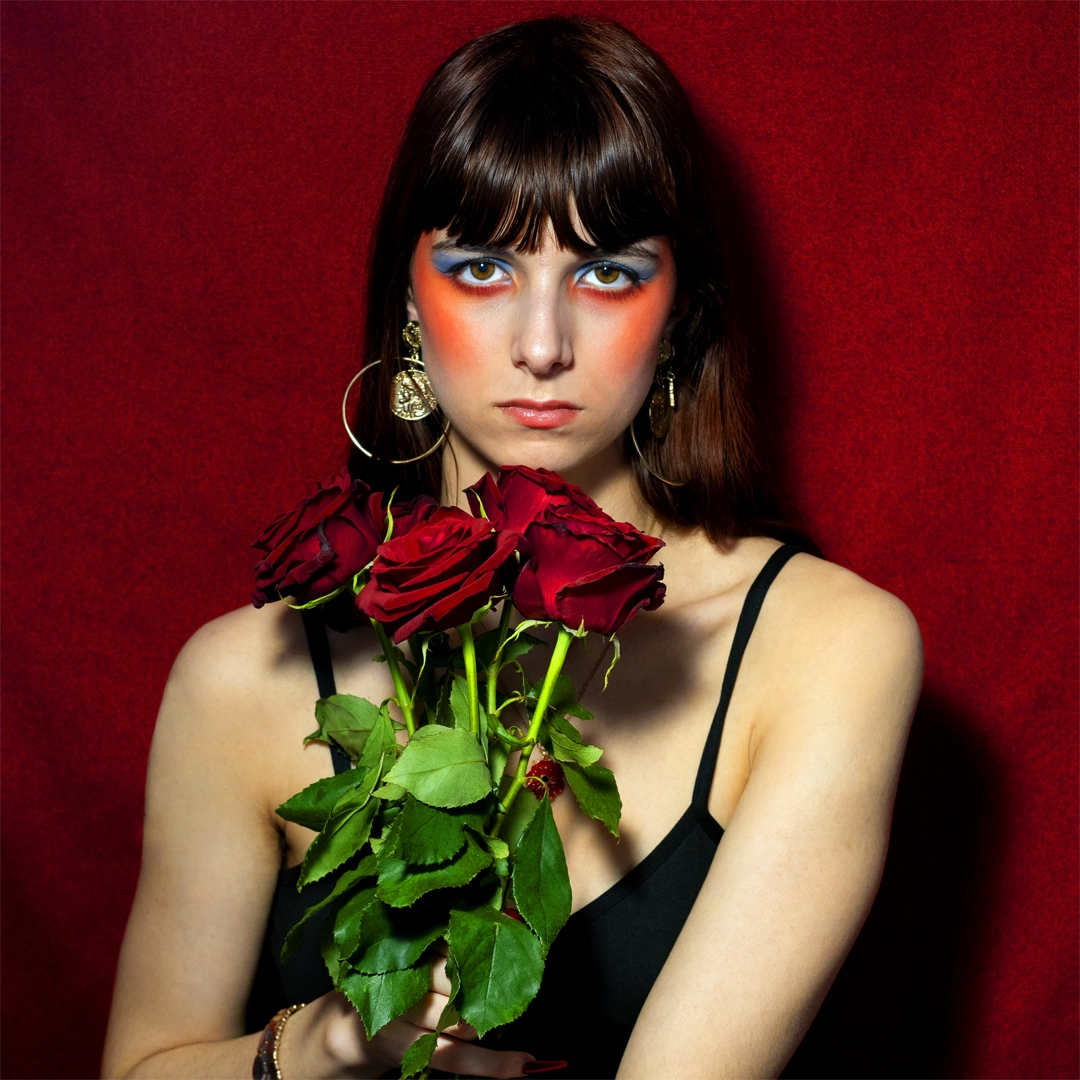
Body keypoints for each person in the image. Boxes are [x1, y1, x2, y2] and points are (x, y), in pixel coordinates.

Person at [101, 16, 922, 1080]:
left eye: (608, 273)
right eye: (483, 267)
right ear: (406, 295)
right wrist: (324, 1044)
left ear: (680, 313)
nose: (542, 345)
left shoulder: (825, 649)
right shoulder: (240, 678)